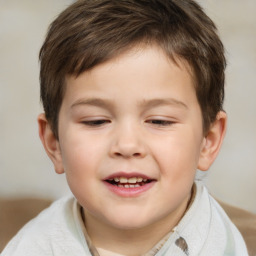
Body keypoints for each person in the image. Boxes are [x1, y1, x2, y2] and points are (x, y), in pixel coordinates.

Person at [1, 0, 248, 255]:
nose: (127, 145)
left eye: (159, 121)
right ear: (54, 143)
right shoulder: (31, 247)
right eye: (95, 121)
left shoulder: (224, 244)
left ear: (208, 140)